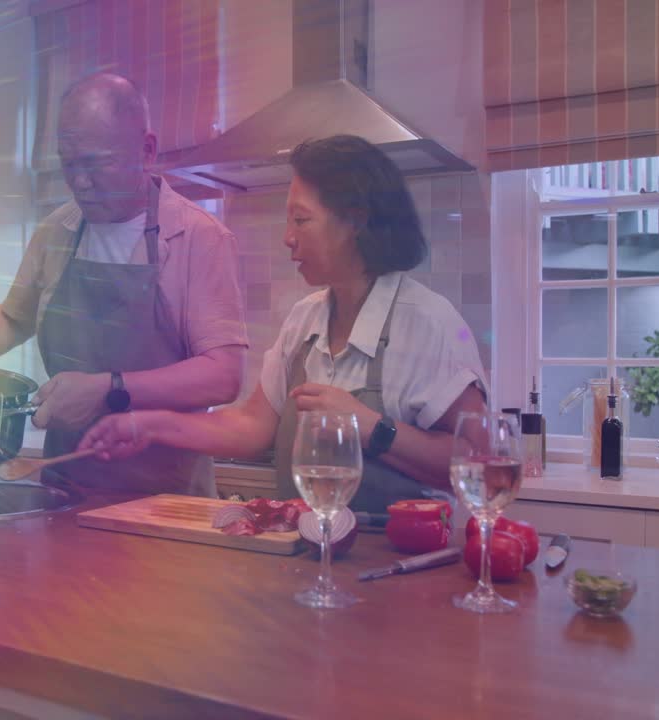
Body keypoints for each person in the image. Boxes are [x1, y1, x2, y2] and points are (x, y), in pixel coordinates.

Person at [79, 135, 489, 512]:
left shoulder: (427, 323)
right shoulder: (305, 319)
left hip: (401, 571)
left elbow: (479, 462)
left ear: (355, 221)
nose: (287, 238)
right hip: (308, 561)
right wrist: (148, 424)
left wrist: (373, 429)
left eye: (301, 220)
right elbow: (252, 426)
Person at [0, 73, 247, 496]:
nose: (80, 182)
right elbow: (10, 320)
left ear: (147, 151)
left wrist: (108, 389)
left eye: (96, 163)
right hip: (65, 490)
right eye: (69, 163)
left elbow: (223, 376)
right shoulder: (57, 231)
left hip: (165, 502)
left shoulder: (197, 237)